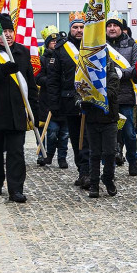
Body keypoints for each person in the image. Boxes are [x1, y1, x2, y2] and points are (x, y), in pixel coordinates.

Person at [0, 13, 37, 203]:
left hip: (17, 112)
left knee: (16, 153)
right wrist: (2, 70)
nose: (7, 34)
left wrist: (35, 110)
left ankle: (16, 189)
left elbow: (30, 83)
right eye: (2, 31)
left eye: (9, 30)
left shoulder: (22, 52)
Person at [46, 13, 90, 187]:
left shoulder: (93, 45)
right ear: (70, 28)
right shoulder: (61, 49)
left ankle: (89, 171)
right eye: (75, 27)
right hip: (70, 101)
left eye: (82, 27)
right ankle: (82, 171)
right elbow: (53, 79)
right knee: (76, 138)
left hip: (91, 101)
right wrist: (54, 103)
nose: (79, 30)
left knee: (89, 138)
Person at [80, 51, 120, 198]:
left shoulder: (112, 75)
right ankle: (94, 184)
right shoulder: (87, 75)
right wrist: (82, 98)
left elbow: (111, 94)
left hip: (109, 120)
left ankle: (108, 178)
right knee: (94, 154)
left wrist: (94, 92)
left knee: (110, 153)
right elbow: (80, 90)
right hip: (92, 119)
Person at [106, 13, 137, 176]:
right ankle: (108, 165)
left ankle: (132, 161)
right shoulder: (101, 44)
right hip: (106, 96)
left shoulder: (132, 45)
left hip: (126, 95)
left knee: (129, 133)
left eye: (115, 25)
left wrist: (122, 73)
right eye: (109, 25)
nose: (112, 28)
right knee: (108, 133)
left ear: (121, 28)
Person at [36, 31, 70, 169]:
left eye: (57, 41)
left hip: (65, 100)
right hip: (48, 100)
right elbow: (38, 78)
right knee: (51, 131)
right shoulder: (43, 59)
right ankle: (47, 154)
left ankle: (62, 158)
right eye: (52, 42)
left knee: (64, 134)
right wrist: (52, 80)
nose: (55, 43)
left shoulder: (66, 57)